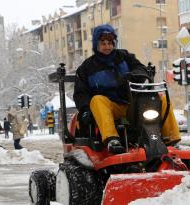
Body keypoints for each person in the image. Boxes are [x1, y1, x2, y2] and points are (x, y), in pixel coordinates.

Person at [73, 24, 180, 154]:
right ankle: (112, 139)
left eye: (110, 43)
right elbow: (80, 93)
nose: (107, 46)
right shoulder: (87, 67)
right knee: (97, 99)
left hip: (132, 104)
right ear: (96, 44)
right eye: (103, 43)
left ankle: (172, 140)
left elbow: (141, 69)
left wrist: (132, 76)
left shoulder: (125, 57)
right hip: (110, 107)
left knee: (160, 98)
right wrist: (85, 110)